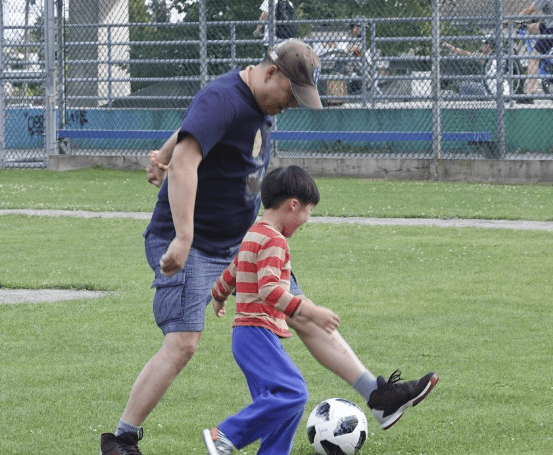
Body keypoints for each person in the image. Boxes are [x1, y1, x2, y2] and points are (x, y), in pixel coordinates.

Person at [101, 38, 438, 455]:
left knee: (303, 312)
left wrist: (163, 152)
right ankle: (122, 438)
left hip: (242, 240)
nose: (292, 104)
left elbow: (187, 135)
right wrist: (183, 236)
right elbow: (189, 161)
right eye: (290, 95)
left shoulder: (259, 104)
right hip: (191, 239)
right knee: (184, 343)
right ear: (271, 72)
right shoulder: (223, 98)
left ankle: (378, 396)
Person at [202, 165, 340, 455]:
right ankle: (224, 435)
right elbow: (269, 289)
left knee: (279, 408)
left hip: (247, 334)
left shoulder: (254, 233)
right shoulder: (275, 240)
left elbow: (234, 269)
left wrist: (219, 295)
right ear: (293, 205)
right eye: (308, 211)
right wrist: (310, 312)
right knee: (293, 392)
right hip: (256, 333)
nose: (306, 220)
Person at [511, 0, 553, 100]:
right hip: (549, 25)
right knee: (530, 27)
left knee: (533, 58)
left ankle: (529, 93)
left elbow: (528, 11)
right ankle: (546, 58)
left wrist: (513, 20)